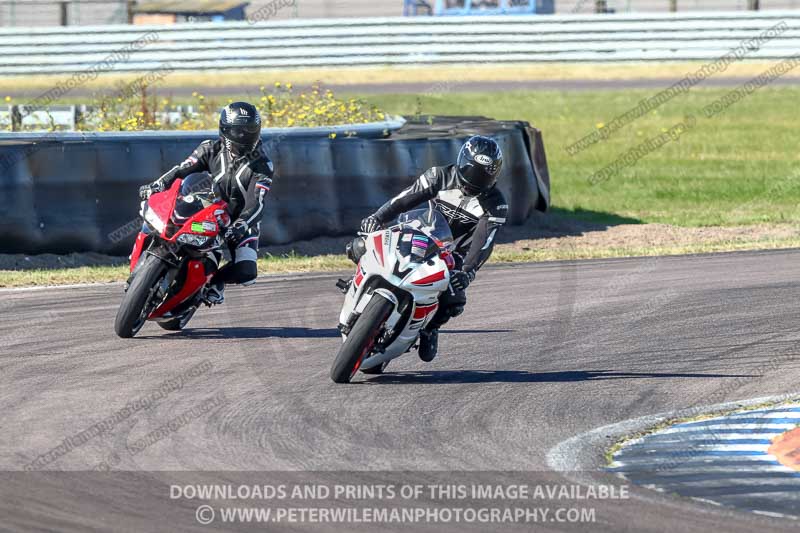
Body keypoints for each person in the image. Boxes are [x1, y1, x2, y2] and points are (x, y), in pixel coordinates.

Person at [356, 135, 508, 362]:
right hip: (417, 233)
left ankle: (430, 328)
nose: (471, 185)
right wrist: (377, 217)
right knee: (359, 246)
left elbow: (483, 242)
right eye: (470, 173)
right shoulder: (439, 176)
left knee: (454, 299)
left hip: (451, 253)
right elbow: (405, 199)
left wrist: (467, 270)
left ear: (493, 176)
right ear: (462, 162)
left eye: (482, 177)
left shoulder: (496, 203)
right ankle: (356, 286)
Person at [139, 101, 273, 304]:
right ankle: (143, 264)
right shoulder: (210, 148)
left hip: (241, 219)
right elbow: (181, 170)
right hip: (208, 206)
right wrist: (157, 185)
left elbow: (257, 202)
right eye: (240, 130)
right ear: (226, 130)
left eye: (251, 129)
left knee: (247, 271)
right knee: (158, 220)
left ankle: (215, 282)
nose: (246, 135)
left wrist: (242, 224)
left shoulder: (263, 164)